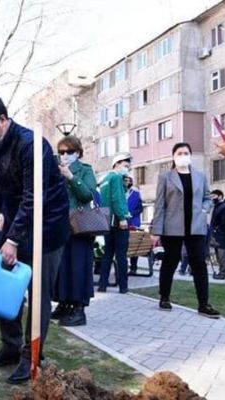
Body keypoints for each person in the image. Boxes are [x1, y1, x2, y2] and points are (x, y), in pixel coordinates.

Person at [0, 94, 69, 384]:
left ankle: (32, 355)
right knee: (5, 287)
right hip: (18, 222)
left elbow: (33, 197)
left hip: (47, 227)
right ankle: (11, 346)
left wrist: (12, 239)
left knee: (38, 295)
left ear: (2, 120)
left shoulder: (32, 145)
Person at [151, 142, 220, 318]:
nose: (183, 155)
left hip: (195, 226)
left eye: (186, 152)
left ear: (190, 155)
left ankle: (203, 304)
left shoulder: (200, 176)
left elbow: (207, 197)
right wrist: (156, 230)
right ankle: (164, 297)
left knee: (199, 264)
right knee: (171, 261)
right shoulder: (166, 177)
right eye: (179, 153)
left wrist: (204, 209)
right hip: (172, 227)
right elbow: (160, 205)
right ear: (173, 157)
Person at [52, 135, 97, 327]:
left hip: (80, 225)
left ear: (78, 153)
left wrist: (71, 177)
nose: (65, 155)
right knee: (61, 266)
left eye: (69, 152)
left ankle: (79, 308)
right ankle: (64, 302)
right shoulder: (54, 170)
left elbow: (87, 194)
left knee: (78, 265)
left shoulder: (85, 170)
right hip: (59, 224)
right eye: (61, 152)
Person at [97, 154, 132, 293]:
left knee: (107, 254)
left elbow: (110, 197)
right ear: (117, 164)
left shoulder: (106, 178)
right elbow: (117, 199)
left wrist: (124, 187)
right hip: (118, 221)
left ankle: (102, 285)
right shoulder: (116, 177)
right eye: (125, 166)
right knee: (121, 255)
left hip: (107, 219)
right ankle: (123, 287)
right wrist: (122, 217)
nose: (127, 169)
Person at [124, 175, 143, 275]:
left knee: (134, 245)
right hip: (122, 222)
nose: (127, 183)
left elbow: (140, 208)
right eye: (125, 181)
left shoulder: (136, 194)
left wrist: (132, 214)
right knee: (123, 246)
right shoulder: (119, 193)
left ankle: (133, 267)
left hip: (134, 222)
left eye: (129, 181)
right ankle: (123, 267)